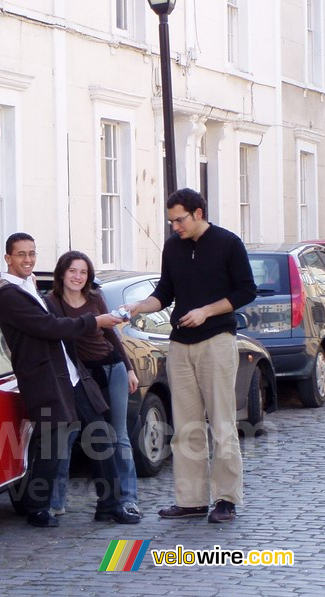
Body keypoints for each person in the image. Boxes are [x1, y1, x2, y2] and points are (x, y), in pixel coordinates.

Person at [0, 232, 140, 528]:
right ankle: (39, 507)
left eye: (32, 253)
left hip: (70, 372)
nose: (28, 259)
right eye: (21, 254)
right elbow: (48, 327)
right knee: (51, 445)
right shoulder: (7, 294)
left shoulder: (28, 286)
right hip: (45, 379)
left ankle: (110, 505)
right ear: (8, 258)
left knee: (101, 434)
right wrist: (94, 321)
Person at [124, 188, 256, 524]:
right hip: (179, 344)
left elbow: (246, 291)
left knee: (222, 423)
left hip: (217, 340)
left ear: (198, 213)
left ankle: (226, 499)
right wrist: (140, 306)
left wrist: (206, 312)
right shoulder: (172, 247)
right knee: (185, 426)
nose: (175, 227)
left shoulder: (229, 243)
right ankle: (191, 500)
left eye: (179, 220)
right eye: (171, 222)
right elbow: (165, 292)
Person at [45, 251, 140, 517]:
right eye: (73, 271)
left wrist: (129, 369)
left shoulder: (95, 297)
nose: (78, 277)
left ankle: (127, 499)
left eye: (83, 272)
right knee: (68, 434)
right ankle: (56, 501)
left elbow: (111, 334)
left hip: (112, 368)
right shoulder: (51, 302)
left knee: (118, 435)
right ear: (62, 273)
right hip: (79, 375)